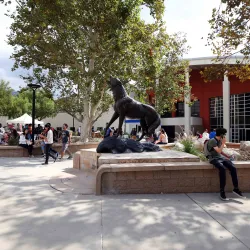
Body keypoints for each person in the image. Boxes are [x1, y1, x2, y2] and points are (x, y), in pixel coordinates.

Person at [207, 127, 245, 200]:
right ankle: (222, 191)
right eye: (224, 134)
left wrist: (227, 156)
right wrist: (223, 143)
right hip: (213, 158)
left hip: (220, 158)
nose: (225, 136)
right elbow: (218, 151)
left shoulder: (219, 141)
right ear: (221, 135)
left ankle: (236, 189)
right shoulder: (212, 141)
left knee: (233, 168)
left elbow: (220, 152)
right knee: (222, 169)